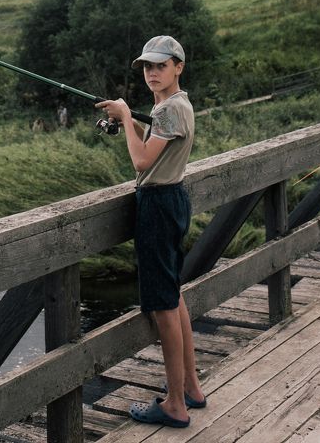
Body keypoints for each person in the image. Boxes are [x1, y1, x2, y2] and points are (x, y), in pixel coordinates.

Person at [96, 35, 206, 429]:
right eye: (147, 66)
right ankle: (191, 388)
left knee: (162, 306)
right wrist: (129, 118)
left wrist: (126, 118)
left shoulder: (168, 110)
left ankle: (175, 404)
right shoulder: (174, 105)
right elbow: (154, 149)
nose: (152, 72)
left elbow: (141, 162)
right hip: (171, 200)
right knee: (172, 296)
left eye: (161, 65)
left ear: (179, 66)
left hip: (158, 207)